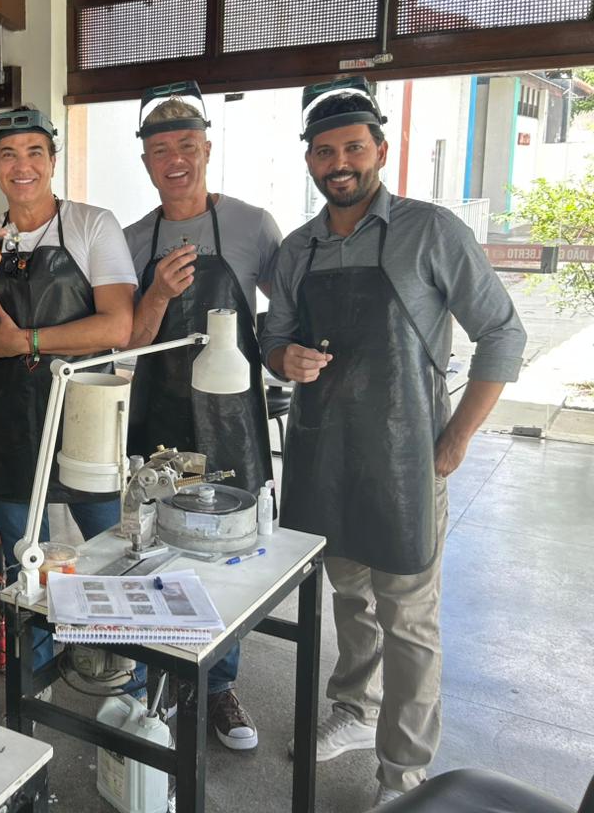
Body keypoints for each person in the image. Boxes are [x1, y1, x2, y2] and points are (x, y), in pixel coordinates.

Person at [261, 79, 526, 807]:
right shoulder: (298, 248)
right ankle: (353, 709)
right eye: (324, 152)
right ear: (310, 162)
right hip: (323, 454)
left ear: (380, 149)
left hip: (408, 457)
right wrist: (284, 359)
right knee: (349, 596)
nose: (339, 163)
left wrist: (458, 436)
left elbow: (502, 333)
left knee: (407, 617)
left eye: (353, 147)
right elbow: (272, 336)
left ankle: (404, 777)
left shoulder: (431, 231)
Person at [123, 84, 281, 751]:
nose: (176, 160)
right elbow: (130, 342)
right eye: (161, 150)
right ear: (146, 162)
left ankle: (219, 686)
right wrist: (158, 293)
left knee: (225, 555)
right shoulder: (134, 240)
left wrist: (292, 357)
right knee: (157, 548)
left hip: (230, 421)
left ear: (208, 149)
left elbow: (285, 315)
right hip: (161, 421)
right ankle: (152, 682)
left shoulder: (251, 226)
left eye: (187, 145)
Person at [0, 106, 137, 670]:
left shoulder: (92, 224)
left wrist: (27, 341)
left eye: (35, 151)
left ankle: (125, 673)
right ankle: (34, 679)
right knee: (23, 560)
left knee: (111, 552)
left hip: (84, 418)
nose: (22, 165)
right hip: (7, 421)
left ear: (53, 161)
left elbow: (116, 326)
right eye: (8, 154)